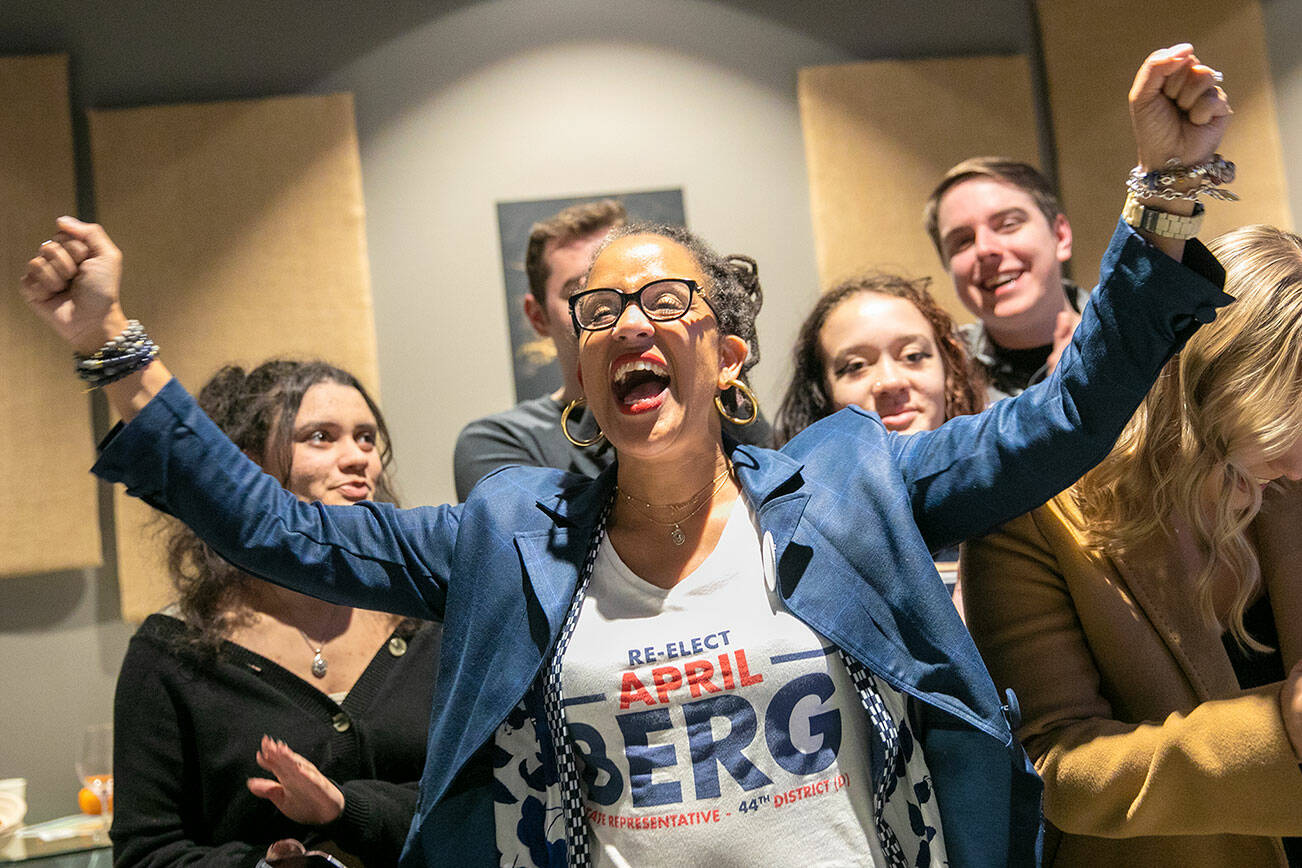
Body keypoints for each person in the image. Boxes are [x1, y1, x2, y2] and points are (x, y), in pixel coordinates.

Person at [22, 45, 1230, 867]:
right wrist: (115, 348)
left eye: (666, 303)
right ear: (577, 372)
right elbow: (280, 530)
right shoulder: (507, 530)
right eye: (598, 314)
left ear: (733, 353)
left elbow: (1059, 417)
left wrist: (1166, 187)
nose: (630, 325)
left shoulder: (853, 477)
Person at [961, 223, 1302, 866]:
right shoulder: (1033, 510)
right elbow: (1056, 769)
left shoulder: (1285, 482)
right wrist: (1277, 730)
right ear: (1212, 381)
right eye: (1289, 414)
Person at [109, 360, 442, 867]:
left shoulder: (431, 624)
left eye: (367, 438)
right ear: (244, 472)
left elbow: (481, 796)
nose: (358, 458)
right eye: (320, 437)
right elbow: (147, 855)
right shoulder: (172, 652)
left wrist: (349, 812)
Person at [453, 199, 771, 500]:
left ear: (727, 360)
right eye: (588, 295)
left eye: (660, 299)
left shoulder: (729, 418)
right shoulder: (500, 443)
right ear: (537, 316)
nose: (627, 321)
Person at [772, 272, 985, 602]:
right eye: (856, 366)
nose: (889, 381)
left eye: (913, 356)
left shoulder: (1009, 505)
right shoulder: (796, 542)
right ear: (822, 397)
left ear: (949, 371)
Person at [923, 158, 1084, 403]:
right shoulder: (939, 379)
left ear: (1060, 236)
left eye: (1008, 225)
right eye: (963, 241)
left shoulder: (1136, 337)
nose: (985, 249)